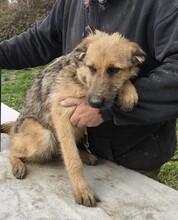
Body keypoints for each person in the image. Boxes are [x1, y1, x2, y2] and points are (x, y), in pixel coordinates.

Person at [1, 0, 178, 179]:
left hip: (136, 155)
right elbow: (38, 41)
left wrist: (107, 109)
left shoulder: (164, 5)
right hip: (77, 150)